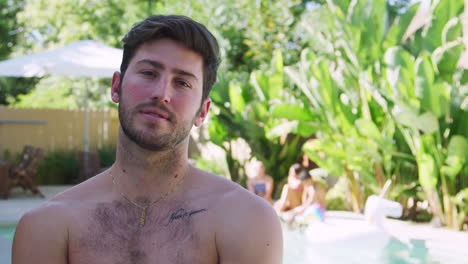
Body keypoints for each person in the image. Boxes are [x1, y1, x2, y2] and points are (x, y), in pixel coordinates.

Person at [12, 15, 282, 264]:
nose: (161, 93)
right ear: (116, 86)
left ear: (203, 111)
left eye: (183, 83)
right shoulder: (49, 226)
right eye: (149, 73)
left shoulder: (245, 220)